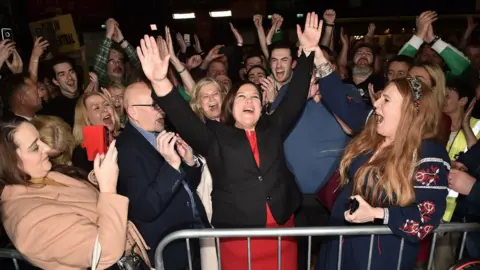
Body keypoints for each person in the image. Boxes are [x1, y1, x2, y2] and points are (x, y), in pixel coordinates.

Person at [136, 12, 323, 270]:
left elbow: (295, 96)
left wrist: (309, 50)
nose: (249, 101)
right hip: (238, 238)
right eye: (242, 97)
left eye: (255, 97)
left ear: (261, 106)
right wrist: (159, 80)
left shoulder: (273, 128)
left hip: (281, 233)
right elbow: (183, 117)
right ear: (231, 106)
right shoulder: (215, 136)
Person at [314, 49, 450, 269]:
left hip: (378, 256)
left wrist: (378, 214)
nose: (376, 104)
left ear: (408, 111)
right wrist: (317, 55)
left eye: (385, 100)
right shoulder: (375, 133)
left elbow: (425, 218)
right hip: (338, 245)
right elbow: (343, 104)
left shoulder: (429, 154)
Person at [0, 118, 149, 269]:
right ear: (11, 163)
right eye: (34, 147)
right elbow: (105, 252)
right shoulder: (29, 223)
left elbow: (85, 200)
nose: (46, 147)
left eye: (40, 139)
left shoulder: (41, 177)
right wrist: (108, 187)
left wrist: (100, 174)